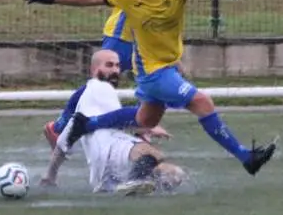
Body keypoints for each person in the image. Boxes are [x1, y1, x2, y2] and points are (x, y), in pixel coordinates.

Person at [26, 0, 277, 176]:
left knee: (146, 120)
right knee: (202, 102)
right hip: (153, 72)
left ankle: (86, 124)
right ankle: (246, 158)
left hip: (163, 68)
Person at [42, 0, 166, 148]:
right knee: (98, 85)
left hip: (139, 34)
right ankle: (58, 127)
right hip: (123, 32)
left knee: (151, 79)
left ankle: (141, 127)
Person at [40, 48, 186, 196]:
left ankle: (138, 182)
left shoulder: (88, 102)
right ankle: (137, 180)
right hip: (109, 148)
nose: (115, 70)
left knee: (172, 173)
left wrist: (50, 176)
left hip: (100, 172)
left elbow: (63, 142)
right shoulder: (100, 87)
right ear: (94, 69)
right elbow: (118, 116)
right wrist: (146, 122)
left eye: (117, 66)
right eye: (109, 65)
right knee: (151, 155)